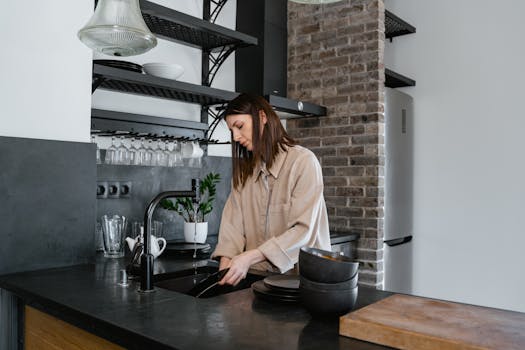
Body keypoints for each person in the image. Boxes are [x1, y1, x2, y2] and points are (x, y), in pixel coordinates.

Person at [211, 93, 331, 286]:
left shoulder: (303, 162)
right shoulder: (244, 173)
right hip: (259, 282)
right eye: (231, 130)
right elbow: (232, 226)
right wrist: (226, 261)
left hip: (303, 283)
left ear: (262, 118)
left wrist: (250, 257)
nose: (235, 136)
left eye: (239, 126)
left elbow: (303, 231)